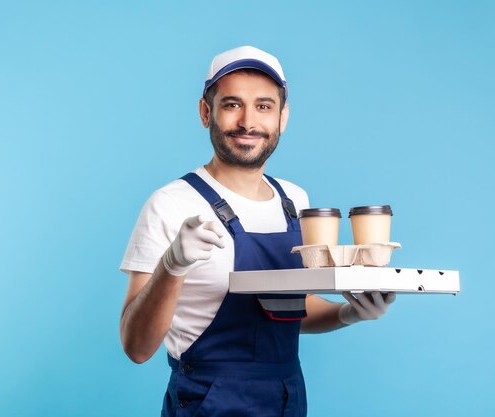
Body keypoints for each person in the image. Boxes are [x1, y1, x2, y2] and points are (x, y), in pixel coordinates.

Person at [119, 45, 396, 417]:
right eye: (232, 104)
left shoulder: (294, 201)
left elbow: (290, 309)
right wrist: (172, 265)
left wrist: (350, 313)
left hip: (286, 398)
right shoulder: (170, 203)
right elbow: (136, 347)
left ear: (283, 117)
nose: (248, 122)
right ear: (206, 112)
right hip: (209, 401)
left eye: (264, 106)